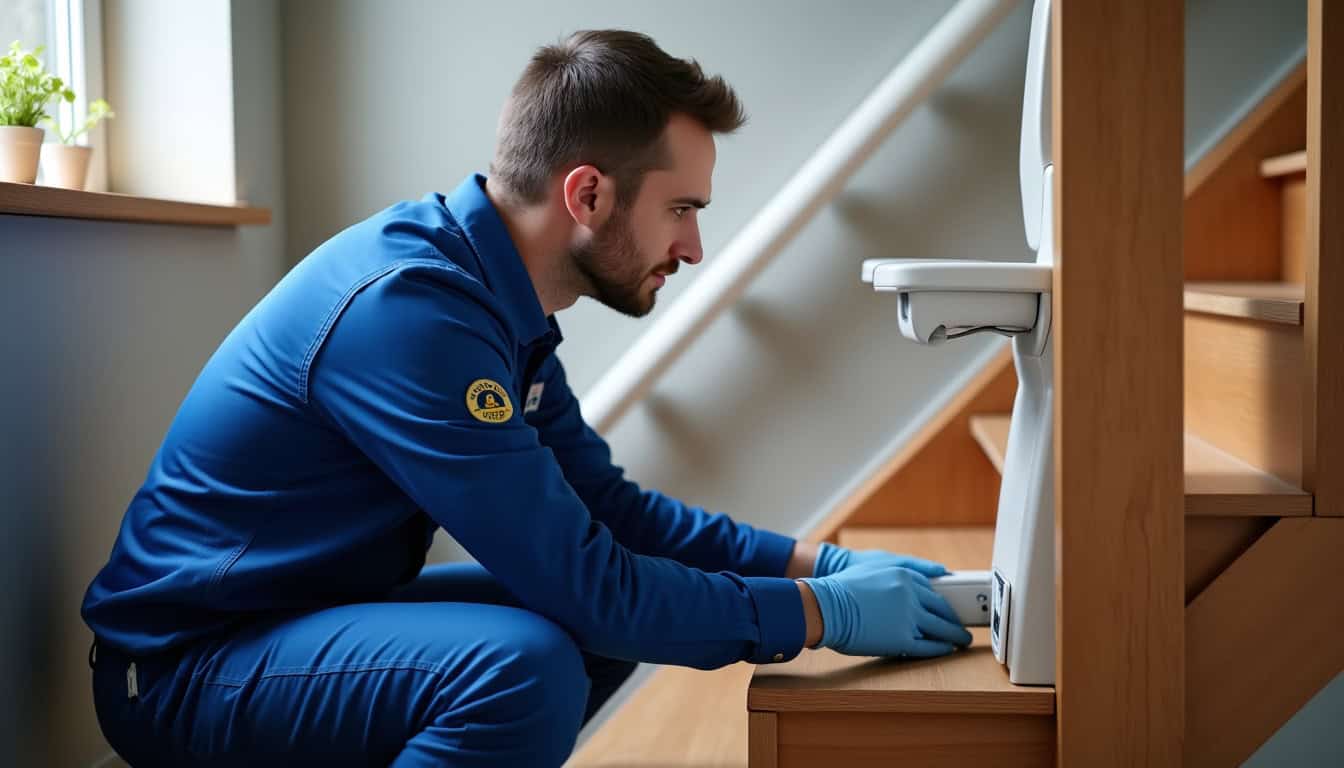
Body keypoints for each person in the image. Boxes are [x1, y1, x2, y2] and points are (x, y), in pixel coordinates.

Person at [82, 29, 972, 767]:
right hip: (183, 666)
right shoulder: (413, 314)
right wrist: (823, 617)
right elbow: (593, 583)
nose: (694, 246)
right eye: (681, 210)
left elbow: (611, 517)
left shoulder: (493, 303)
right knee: (524, 665)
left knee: (587, 625)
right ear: (587, 193)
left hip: (297, 622)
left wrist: (817, 566)